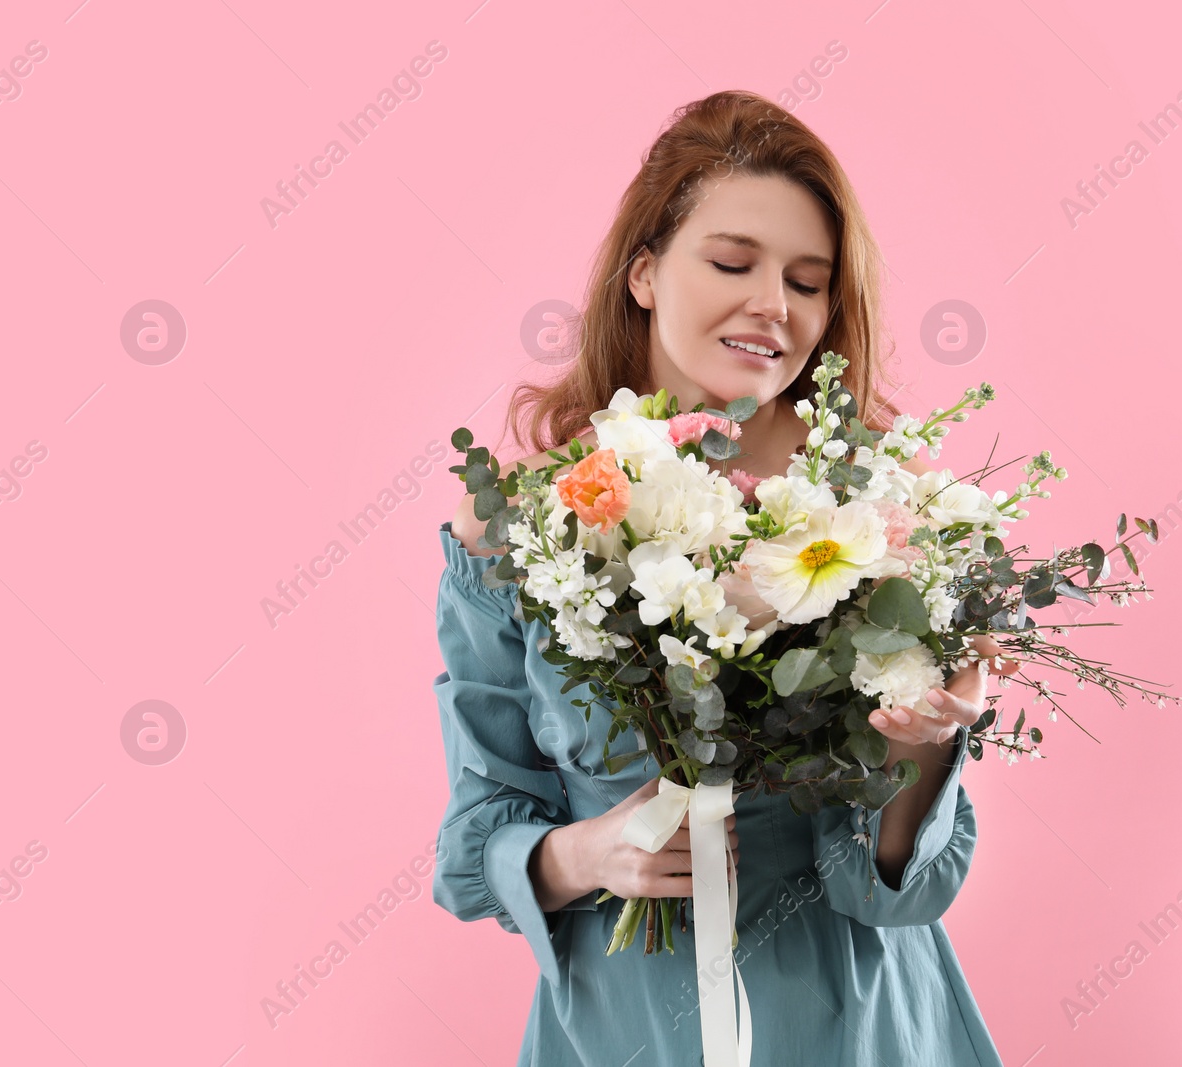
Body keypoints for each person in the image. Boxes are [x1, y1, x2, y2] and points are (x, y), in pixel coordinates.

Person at [430, 90, 1013, 1065]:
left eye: (808, 280)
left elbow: (891, 884)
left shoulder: (877, 515)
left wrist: (925, 737)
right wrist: (587, 852)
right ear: (646, 271)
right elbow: (474, 836)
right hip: (618, 1030)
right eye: (733, 261)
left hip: (853, 1027)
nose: (773, 304)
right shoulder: (519, 519)